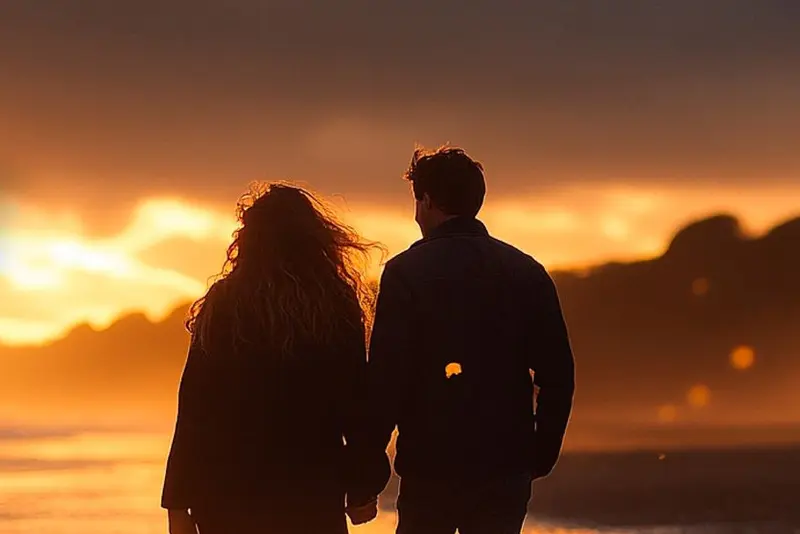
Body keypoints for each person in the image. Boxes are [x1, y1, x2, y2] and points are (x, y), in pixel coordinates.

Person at [161, 183, 391, 534]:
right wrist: (362, 487)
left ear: (248, 241)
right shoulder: (334, 306)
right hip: (309, 494)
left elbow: (195, 410)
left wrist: (177, 504)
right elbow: (356, 405)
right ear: (316, 241)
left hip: (227, 496)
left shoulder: (225, 304)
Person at [368, 147, 575, 534]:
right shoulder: (526, 271)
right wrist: (539, 452)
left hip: (431, 463)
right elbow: (558, 372)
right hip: (505, 462)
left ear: (427, 201)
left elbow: (386, 380)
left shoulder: (404, 274)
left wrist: (366, 468)